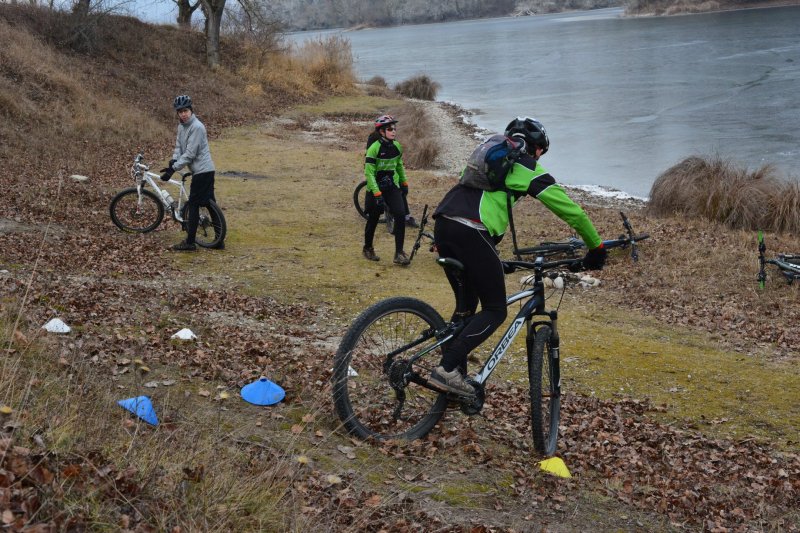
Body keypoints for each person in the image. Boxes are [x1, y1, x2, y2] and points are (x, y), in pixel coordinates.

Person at [429, 116, 607, 395]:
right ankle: (447, 369)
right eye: (541, 151)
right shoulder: (526, 167)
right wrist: (596, 248)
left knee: (466, 307)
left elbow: (482, 201)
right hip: (473, 231)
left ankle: (451, 383)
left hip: (444, 223)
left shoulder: (490, 161)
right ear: (535, 148)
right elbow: (572, 211)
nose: (540, 156)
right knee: (495, 309)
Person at [159, 94, 221, 251]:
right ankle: (219, 240)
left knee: (193, 205)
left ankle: (190, 242)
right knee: (209, 203)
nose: (183, 114)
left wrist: (174, 169)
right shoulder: (181, 127)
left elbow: (190, 153)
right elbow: (179, 147)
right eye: (180, 112)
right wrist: (173, 161)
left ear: (191, 110)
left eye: (185, 111)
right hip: (199, 171)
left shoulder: (197, 127)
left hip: (204, 171)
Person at [362, 115, 412, 265]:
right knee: (374, 218)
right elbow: (369, 173)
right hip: (375, 187)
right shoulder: (374, 148)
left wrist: (404, 183)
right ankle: (368, 248)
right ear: (382, 132)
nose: (394, 131)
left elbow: (399, 166)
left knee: (400, 214)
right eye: (390, 129)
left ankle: (399, 253)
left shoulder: (397, 146)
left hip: (391, 186)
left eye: (394, 128)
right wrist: (376, 193)